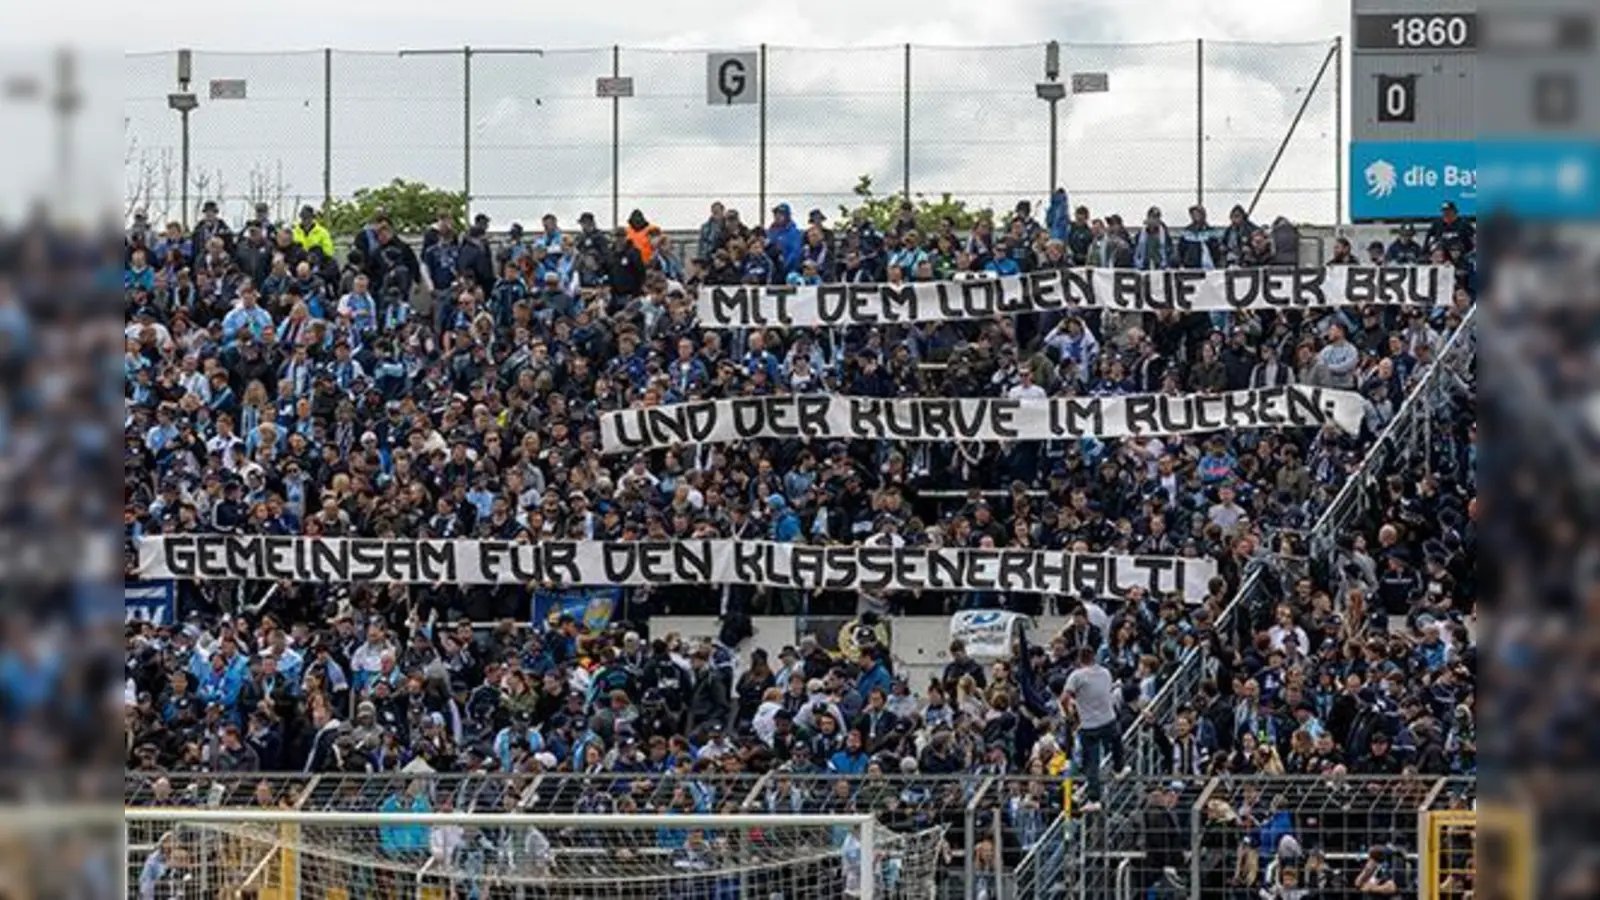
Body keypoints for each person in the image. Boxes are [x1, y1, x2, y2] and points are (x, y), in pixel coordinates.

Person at [1063, 646, 1125, 812]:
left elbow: (1064, 697)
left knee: (1092, 762)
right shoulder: (1105, 672)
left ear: (1079, 660)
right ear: (1094, 658)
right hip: (1108, 719)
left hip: (1089, 725)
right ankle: (1119, 768)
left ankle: (1094, 798)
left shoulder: (1076, 676)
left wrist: (1070, 713)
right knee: (1116, 741)